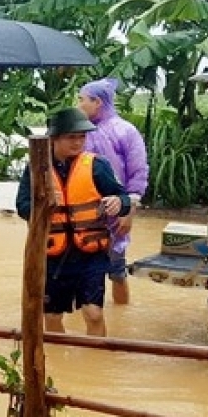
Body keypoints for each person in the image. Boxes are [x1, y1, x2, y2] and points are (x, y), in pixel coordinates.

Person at [15, 107, 131, 337]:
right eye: (71, 137)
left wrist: (119, 202)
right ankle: (59, 365)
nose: (78, 142)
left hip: (90, 255)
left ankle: (96, 364)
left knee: (93, 313)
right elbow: (22, 206)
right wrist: (43, 205)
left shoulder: (97, 166)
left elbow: (123, 197)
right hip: (52, 256)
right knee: (52, 317)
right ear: (55, 138)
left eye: (82, 137)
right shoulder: (38, 168)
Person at [77, 78, 149, 305]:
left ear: (96, 102)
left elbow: (138, 173)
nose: (78, 105)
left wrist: (129, 212)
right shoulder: (80, 132)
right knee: (80, 273)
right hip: (82, 213)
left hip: (116, 212)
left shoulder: (125, 131)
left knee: (117, 271)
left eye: (81, 100)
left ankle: (120, 316)